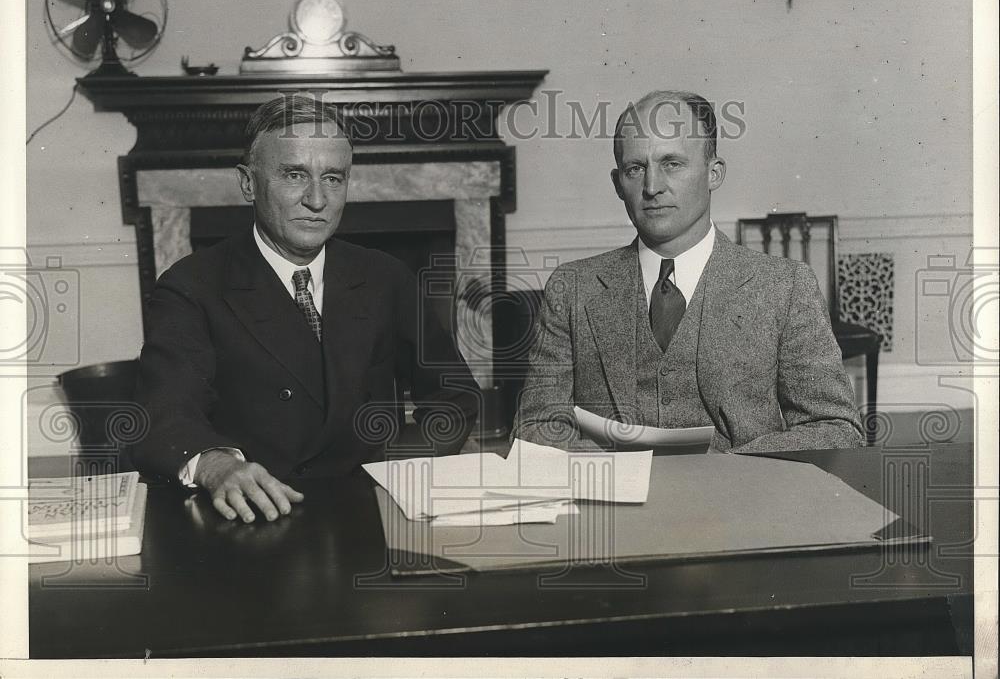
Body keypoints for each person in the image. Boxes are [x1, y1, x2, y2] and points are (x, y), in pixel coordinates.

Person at [131, 95, 479, 523]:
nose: (317, 200)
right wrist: (218, 466)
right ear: (248, 183)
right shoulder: (192, 286)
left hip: (371, 509)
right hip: (257, 518)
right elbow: (165, 413)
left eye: (333, 178)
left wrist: (396, 468)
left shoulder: (386, 277)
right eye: (295, 175)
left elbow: (454, 396)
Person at [513, 90, 864, 453]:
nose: (652, 187)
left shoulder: (785, 287)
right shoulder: (572, 288)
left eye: (672, 164)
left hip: (739, 503)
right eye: (636, 169)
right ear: (619, 184)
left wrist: (725, 470)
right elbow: (535, 427)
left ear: (714, 173)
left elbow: (835, 428)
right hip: (615, 503)